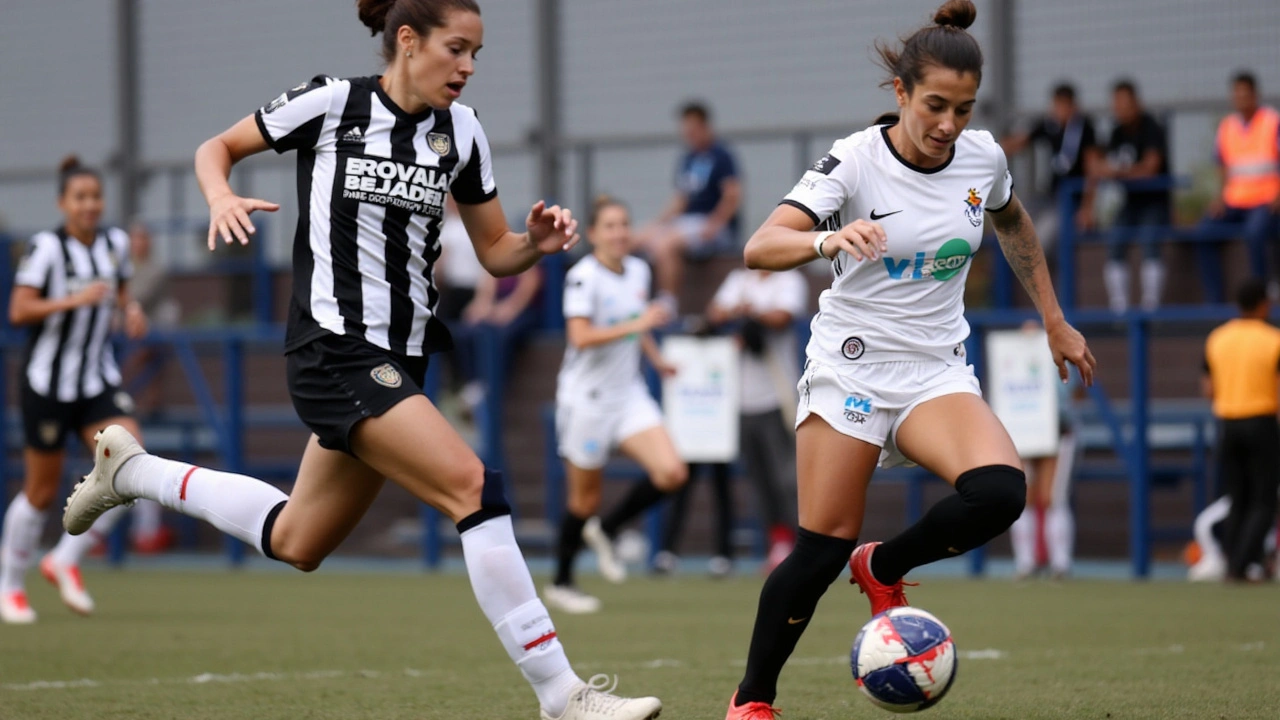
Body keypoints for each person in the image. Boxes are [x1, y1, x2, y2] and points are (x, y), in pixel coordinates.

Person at [61, 3, 661, 718]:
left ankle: (133, 471)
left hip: (402, 360)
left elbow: (498, 253)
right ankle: (561, 693)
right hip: (332, 348)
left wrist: (535, 242)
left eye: (477, 53)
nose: (468, 66)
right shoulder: (331, 102)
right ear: (408, 41)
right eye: (456, 48)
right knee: (475, 487)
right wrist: (220, 194)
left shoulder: (460, 132)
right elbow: (214, 149)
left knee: (298, 539)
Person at [721, 2, 1096, 716]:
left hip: (934, 370)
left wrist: (1054, 318)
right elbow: (760, 246)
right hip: (852, 368)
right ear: (900, 93)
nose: (948, 124)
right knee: (819, 550)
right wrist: (826, 241)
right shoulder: (854, 161)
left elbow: (1012, 222)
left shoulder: (984, 157)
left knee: (1000, 493)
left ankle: (884, 564)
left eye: (963, 107)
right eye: (934, 105)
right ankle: (753, 700)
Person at [0, 155, 150, 624]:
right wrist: (73, 299)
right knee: (41, 493)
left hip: (96, 381)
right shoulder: (46, 248)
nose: (90, 206)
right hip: (47, 385)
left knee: (133, 470)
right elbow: (18, 311)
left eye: (96, 197)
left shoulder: (114, 243)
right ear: (63, 202)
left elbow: (121, 292)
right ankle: (9, 587)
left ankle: (64, 559)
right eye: (80, 197)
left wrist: (131, 310)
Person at [547, 196, 688, 614]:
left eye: (624, 224)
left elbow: (635, 322)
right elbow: (581, 337)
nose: (619, 232)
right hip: (587, 400)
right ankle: (562, 581)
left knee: (671, 472)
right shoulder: (583, 277)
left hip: (628, 395)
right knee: (582, 501)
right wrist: (638, 324)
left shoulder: (639, 270)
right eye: (609, 226)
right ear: (592, 234)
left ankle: (606, 530)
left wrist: (657, 360)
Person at [657, 267, 808, 577]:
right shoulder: (739, 280)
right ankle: (776, 543)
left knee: (785, 477)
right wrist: (739, 313)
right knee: (759, 479)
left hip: (776, 396)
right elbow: (716, 312)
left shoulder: (788, 280)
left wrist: (748, 311)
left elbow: (782, 316)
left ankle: (799, 544)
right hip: (736, 399)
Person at [1202, 278, 1280, 583]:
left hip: (1228, 422)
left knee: (1237, 496)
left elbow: (1208, 387)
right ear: (1263, 304)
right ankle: (1243, 563)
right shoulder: (1273, 339)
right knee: (1263, 499)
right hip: (1261, 421)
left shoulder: (1218, 338)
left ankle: (1233, 560)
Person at [637, 102, 742, 310]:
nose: (689, 135)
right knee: (638, 237)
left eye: (693, 130)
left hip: (713, 225)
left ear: (705, 127)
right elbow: (680, 201)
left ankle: (668, 303)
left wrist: (715, 223)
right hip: (687, 223)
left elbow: (732, 195)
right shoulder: (688, 158)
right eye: (686, 130)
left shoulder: (721, 155)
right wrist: (656, 224)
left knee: (665, 244)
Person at [1196, 71, 1280, 303]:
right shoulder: (1227, 126)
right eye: (1237, 94)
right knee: (1203, 232)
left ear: (1255, 95)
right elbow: (1222, 166)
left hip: (1265, 200)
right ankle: (1215, 300)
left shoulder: (1272, 121)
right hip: (1234, 200)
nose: (1241, 98)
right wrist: (1219, 197)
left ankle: (1260, 297)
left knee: (1255, 233)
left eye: (1246, 93)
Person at [122, 218, 179, 554]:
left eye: (143, 238)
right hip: (112, 379)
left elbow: (133, 300)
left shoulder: (154, 271)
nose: (138, 243)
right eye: (134, 238)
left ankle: (146, 532)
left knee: (138, 459)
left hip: (144, 357)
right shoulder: (119, 270)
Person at [1095, 79, 1171, 313]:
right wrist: (1116, 171)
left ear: (1136, 103)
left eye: (1124, 103)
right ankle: (1120, 309)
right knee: (1114, 242)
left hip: (1154, 202)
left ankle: (1151, 307)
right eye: (1116, 104)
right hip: (1129, 203)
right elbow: (1100, 166)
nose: (1119, 109)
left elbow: (1151, 168)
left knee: (1150, 243)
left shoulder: (1151, 127)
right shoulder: (1117, 132)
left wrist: (1120, 172)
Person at [1000, 82, 1102, 250]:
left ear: (1072, 106)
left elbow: (1093, 169)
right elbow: (1020, 142)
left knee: (1043, 236)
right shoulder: (1050, 125)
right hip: (1049, 195)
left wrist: (1087, 208)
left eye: (1062, 105)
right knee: (1011, 220)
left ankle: (1042, 274)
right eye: (1055, 105)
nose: (1057, 110)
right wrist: (992, 149)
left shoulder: (1085, 129)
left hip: (1071, 199)